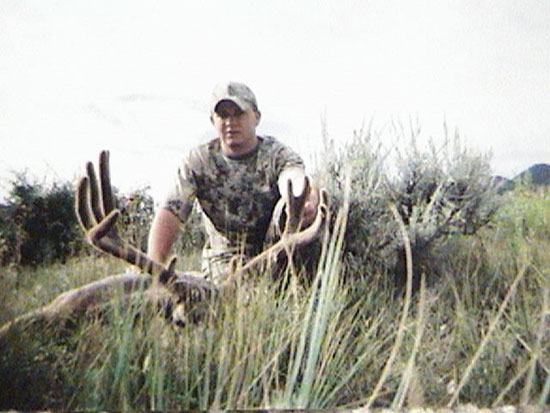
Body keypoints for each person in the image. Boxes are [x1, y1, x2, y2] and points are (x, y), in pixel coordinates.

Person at [147, 81, 319, 283]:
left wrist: (305, 199)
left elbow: (295, 178)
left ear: (256, 117)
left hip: (277, 252)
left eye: (239, 114)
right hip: (224, 263)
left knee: (291, 208)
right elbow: (171, 213)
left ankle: (305, 289)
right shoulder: (198, 161)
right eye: (223, 115)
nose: (231, 122)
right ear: (213, 120)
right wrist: (153, 270)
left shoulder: (277, 154)